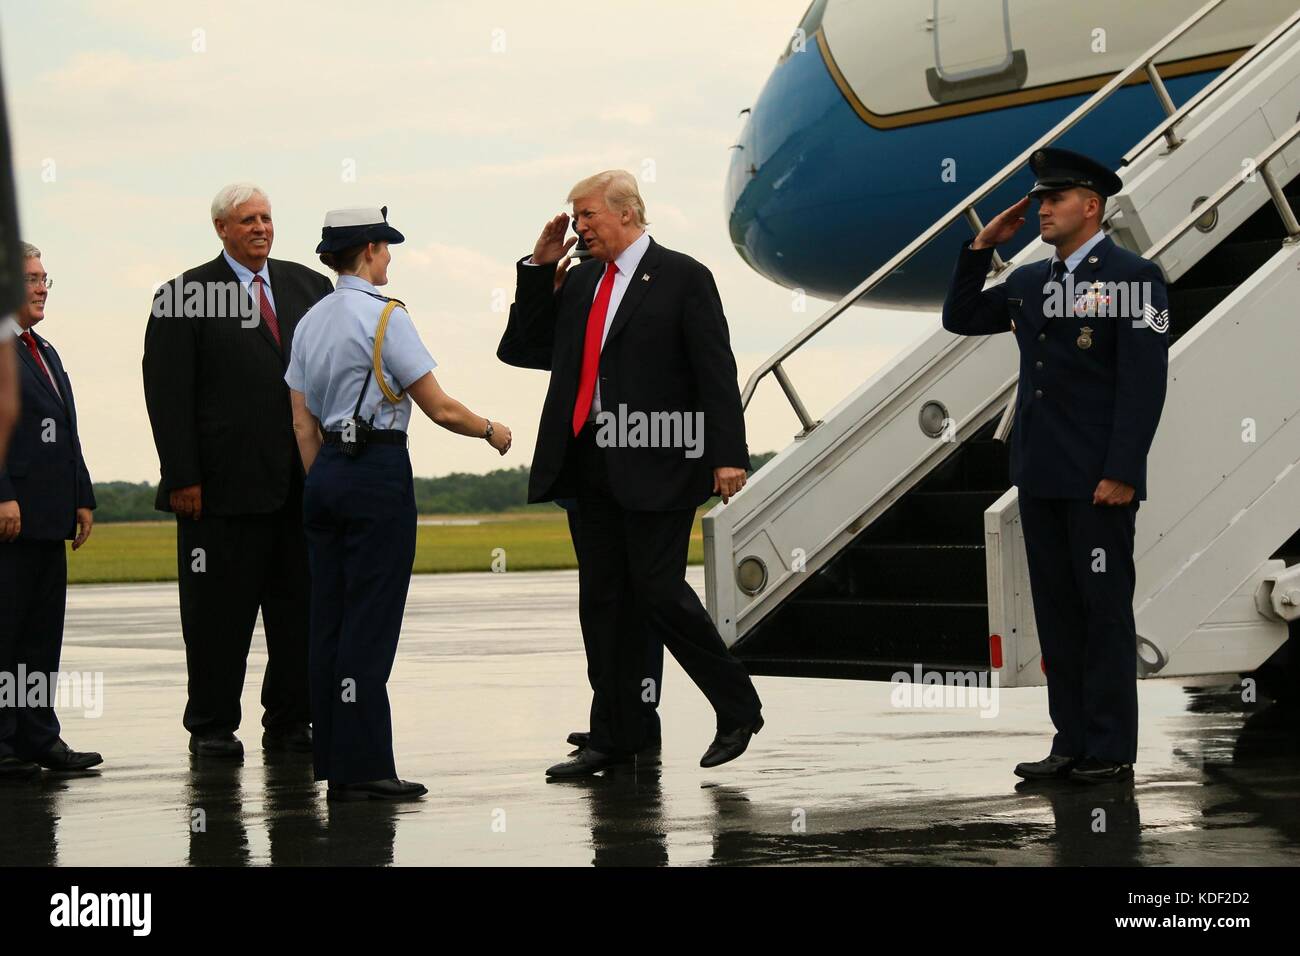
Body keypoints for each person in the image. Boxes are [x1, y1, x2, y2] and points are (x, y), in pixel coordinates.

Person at [499, 170, 763, 778]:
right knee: (605, 604)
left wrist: (728, 454)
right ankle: (621, 731)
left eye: (587, 215)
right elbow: (525, 349)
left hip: (662, 459)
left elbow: (714, 368)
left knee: (657, 592)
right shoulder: (583, 279)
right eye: (575, 216)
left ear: (627, 213)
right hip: (588, 462)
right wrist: (538, 274)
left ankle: (736, 704)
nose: (578, 227)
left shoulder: (683, 276)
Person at [942, 147, 1169, 784]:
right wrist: (979, 247)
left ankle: (1111, 748)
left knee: (1103, 611)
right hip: (1040, 472)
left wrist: (1124, 468)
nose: (1041, 208)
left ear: (1091, 206)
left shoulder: (1135, 278)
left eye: (1054, 198)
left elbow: (1144, 381)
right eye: (1039, 199)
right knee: (1058, 614)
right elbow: (959, 317)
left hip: (1099, 479)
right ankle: (1070, 742)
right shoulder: (1027, 281)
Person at [288, 206, 512, 802]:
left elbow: (301, 421)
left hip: (326, 473)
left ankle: (334, 758)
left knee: (329, 621)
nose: (389, 257)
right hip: (377, 470)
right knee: (370, 622)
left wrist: (326, 479)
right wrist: (491, 429)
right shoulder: (387, 317)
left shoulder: (310, 322)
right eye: (385, 247)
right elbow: (439, 408)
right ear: (368, 250)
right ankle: (365, 767)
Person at [143, 183, 332, 760]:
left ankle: (290, 722)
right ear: (221, 228)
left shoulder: (309, 286)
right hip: (219, 491)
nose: (261, 228)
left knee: (298, 611)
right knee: (217, 617)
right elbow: (168, 395)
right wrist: (182, 477)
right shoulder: (183, 295)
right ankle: (212, 726)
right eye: (247, 219)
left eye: (267, 218)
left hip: (299, 486)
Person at [0, 242, 101, 778]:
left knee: (41, 636)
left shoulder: (44, 350)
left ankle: (39, 736)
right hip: (8, 522)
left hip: (47, 519)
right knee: (5, 634)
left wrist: (81, 496)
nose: (41, 287)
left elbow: (66, 432)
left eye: (45, 279)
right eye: (31, 278)